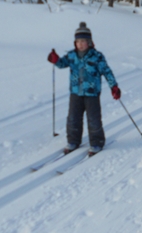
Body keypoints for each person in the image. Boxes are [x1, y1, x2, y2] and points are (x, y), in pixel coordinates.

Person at [48, 22, 120, 156]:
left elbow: (107, 71)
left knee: (93, 118)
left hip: (92, 93)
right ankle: (73, 141)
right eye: (78, 41)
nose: (80, 44)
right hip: (76, 92)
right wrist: (55, 59)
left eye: (83, 41)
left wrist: (114, 86)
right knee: (73, 118)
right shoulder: (71, 56)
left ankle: (97, 142)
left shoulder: (97, 56)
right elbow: (61, 64)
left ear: (90, 42)